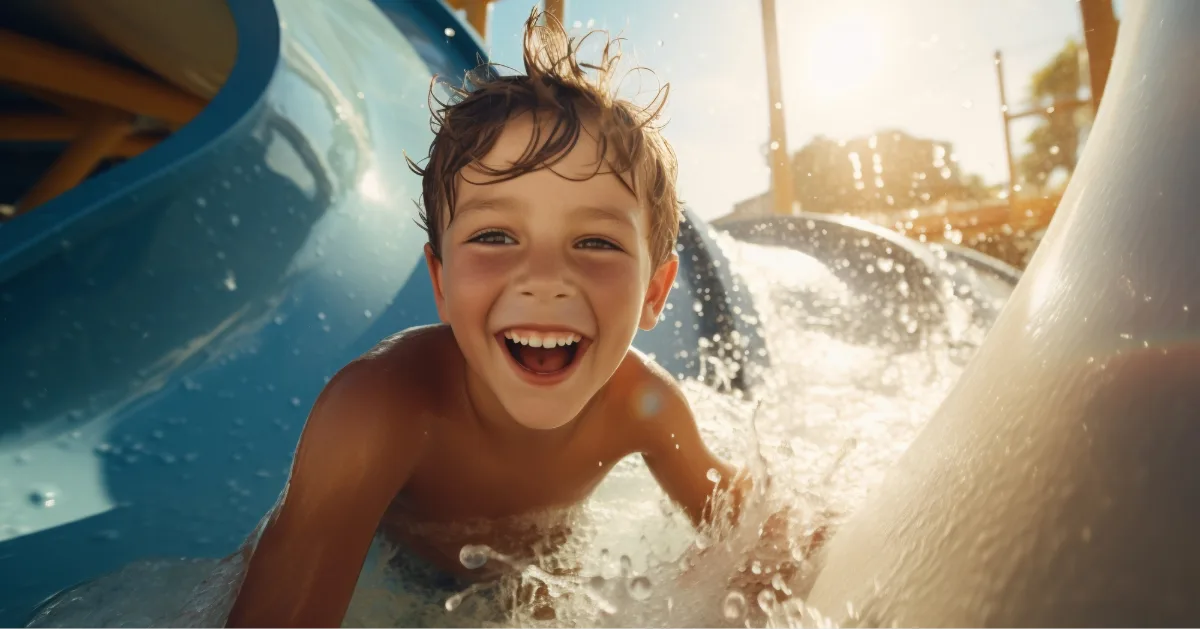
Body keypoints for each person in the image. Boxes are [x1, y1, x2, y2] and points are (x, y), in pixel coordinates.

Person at [226, 8, 824, 627]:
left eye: (595, 242)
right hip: (394, 571)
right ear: (440, 281)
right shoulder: (379, 409)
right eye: (494, 235)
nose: (544, 279)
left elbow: (747, 528)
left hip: (540, 576)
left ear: (655, 290)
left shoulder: (642, 406)